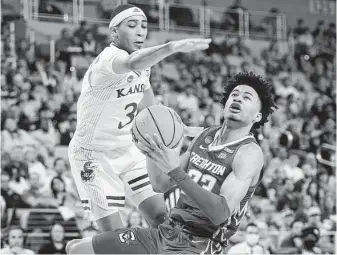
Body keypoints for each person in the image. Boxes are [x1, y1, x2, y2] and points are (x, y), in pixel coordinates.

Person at [66, 72, 277, 254]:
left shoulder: (249, 153)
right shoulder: (205, 136)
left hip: (200, 244)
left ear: (258, 116)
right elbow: (161, 184)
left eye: (247, 97)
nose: (237, 99)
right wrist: (150, 148)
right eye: (234, 95)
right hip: (166, 232)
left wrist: (176, 170)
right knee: (76, 249)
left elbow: (221, 214)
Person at [68, 3, 210, 232]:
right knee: (117, 236)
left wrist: (182, 128)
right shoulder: (109, 60)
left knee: (162, 219)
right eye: (131, 25)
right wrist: (172, 47)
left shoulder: (144, 68)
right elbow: (133, 62)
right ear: (114, 32)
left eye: (143, 26)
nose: (140, 31)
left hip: (127, 148)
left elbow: (151, 109)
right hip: (93, 155)